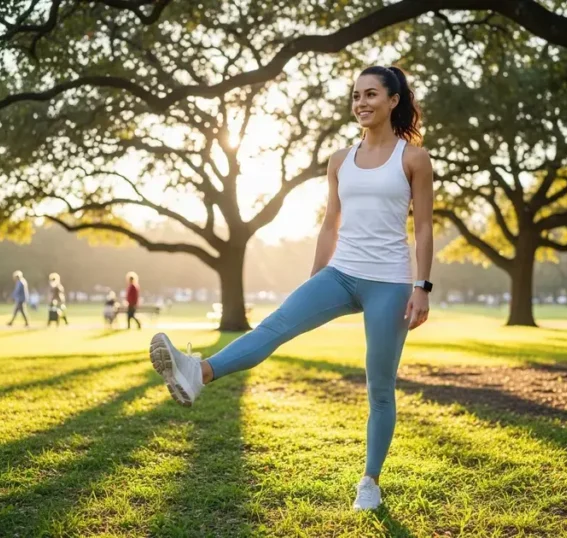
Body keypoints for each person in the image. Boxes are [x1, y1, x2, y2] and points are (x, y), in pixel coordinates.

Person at [148, 65, 434, 511]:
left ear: (393, 100)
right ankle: (197, 373)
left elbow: (424, 230)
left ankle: (370, 482)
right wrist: (316, 278)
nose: (361, 102)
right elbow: (330, 224)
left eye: (371, 94)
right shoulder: (340, 160)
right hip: (340, 273)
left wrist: (422, 286)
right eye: (356, 95)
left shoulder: (413, 159)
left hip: (391, 283)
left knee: (379, 384)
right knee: (277, 324)